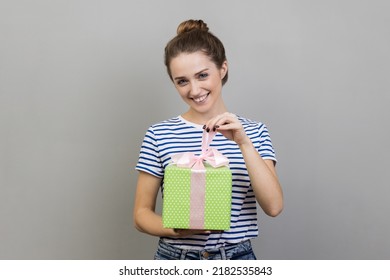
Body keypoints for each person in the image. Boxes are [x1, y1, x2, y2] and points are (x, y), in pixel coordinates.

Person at [134, 19, 283, 260]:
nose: (194, 90)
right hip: (175, 257)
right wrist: (178, 230)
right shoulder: (159, 134)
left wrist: (243, 143)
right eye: (182, 81)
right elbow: (141, 214)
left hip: (236, 258)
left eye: (202, 75)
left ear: (222, 69)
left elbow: (274, 206)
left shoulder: (254, 132)